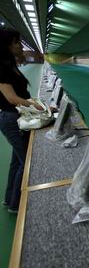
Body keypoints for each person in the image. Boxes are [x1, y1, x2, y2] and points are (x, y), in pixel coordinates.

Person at [0, 28, 42, 213]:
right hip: (11, 119)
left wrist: (41, 105)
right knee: (26, 162)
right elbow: (11, 98)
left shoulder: (10, 66)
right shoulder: (1, 67)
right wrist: (35, 107)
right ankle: (16, 205)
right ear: (8, 46)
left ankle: (10, 200)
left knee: (17, 162)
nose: (20, 46)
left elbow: (22, 95)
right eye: (17, 42)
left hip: (17, 117)